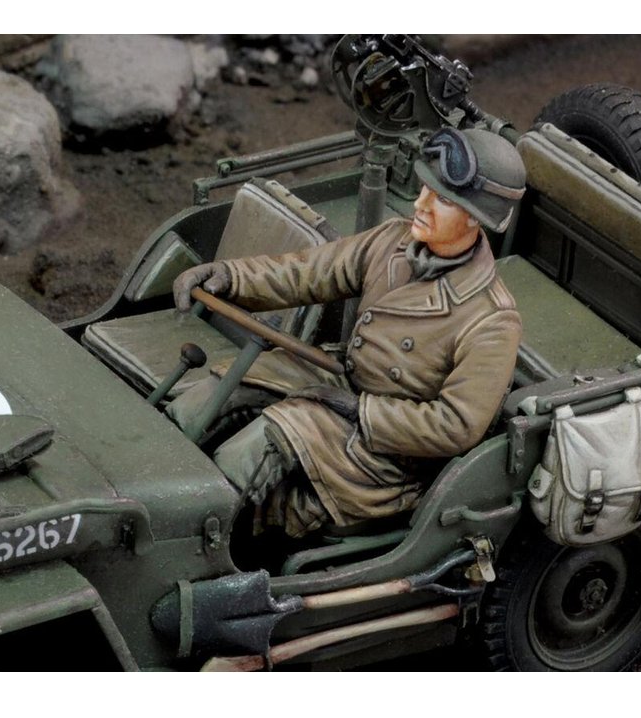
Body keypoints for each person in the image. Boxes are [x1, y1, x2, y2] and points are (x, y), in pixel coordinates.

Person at [173, 127, 526, 538]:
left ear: (476, 218)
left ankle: (190, 539)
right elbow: (309, 271)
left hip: (385, 455)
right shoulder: (392, 241)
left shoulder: (492, 320)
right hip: (339, 384)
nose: (421, 204)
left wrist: (361, 411)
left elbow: (455, 425)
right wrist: (230, 276)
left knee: (259, 446)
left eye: (442, 200)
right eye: (425, 189)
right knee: (208, 396)